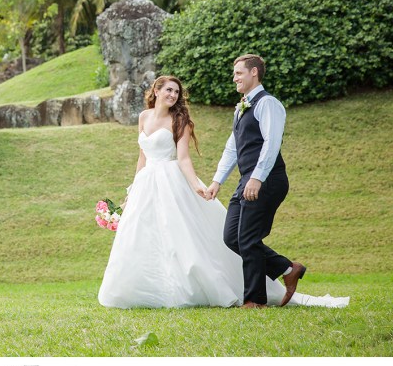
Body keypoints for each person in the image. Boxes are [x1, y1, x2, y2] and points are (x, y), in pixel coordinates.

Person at [98, 74, 348, 309]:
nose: (173, 95)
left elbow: (183, 158)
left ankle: (205, 287)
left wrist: (197, 184)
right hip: (146, 183)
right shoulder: (144, 117)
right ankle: (145, 287)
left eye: (177, 91)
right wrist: (132, 188)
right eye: (168, 90)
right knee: (144, 236)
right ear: (156, 90)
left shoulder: (180, 120)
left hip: (170, 180)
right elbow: (142, 156)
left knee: (181, 234)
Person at [205, 54, 301, 308]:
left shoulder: (268, 103)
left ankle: (255, 300)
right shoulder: (241, 107)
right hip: (246, 179)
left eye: (238, 73)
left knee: (247, 238)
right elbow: (232, 148)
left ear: (254, 72)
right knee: (232, 237)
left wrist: (257, 178)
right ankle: (287, 268)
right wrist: (217, 181)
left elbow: (271, 144)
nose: (234, 77)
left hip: (267, 179)